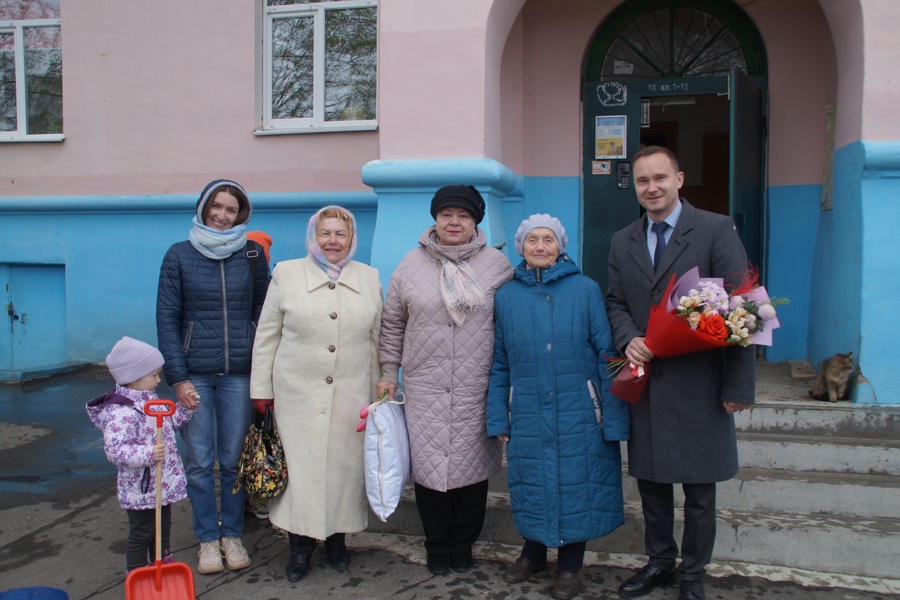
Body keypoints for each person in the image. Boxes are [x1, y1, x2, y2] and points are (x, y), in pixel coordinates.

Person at [605, 146, 755, 600]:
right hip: (647, 382)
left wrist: (738, 384)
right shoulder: (622, 240)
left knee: (699, 492)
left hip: (700, 386)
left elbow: (743, 306)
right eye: (642, 181)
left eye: (660, 178)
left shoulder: (713, 229)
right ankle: (660, 564)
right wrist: (627, 335)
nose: (651, 188)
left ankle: (693, 574)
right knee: (651, 484)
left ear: (679, 179)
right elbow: (615, 300)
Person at [485, 215, 630, 600]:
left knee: (575, 486)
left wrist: (611, 414)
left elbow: (608, 355)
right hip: (528, 410)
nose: (540, 246)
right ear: (521, 247)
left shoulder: (586, 289)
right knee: (532, 483)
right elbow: (499, 360)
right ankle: (532, 553)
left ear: (561, 246)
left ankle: (570, 566)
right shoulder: (506, 296)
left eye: (548, 239)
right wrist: (500, 413)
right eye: (532, 239)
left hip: (579, 409)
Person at [377, 185, 513, 576]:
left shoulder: (496, 266)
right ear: (435, 219)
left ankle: (463, 543)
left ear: (476, 222)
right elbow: (392, 323)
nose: (455, 222)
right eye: (447, 214)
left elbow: (507, 327)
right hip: (425, 386)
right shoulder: (410, 264)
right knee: (430, 471)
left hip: (476, 386)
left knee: (472, 471)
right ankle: (437, 544)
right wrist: (389, 372)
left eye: (464, 216)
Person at [250, 205, 382, 583]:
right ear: (313, 236)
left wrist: (380, 391)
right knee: (302, 475)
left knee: (343, 473)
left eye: (340, 234)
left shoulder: (369, 278)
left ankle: (338, 541)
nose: (332, 241)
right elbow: (267, 336)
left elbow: (377, 340)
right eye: (325, 233)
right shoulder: (287, 274)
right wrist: (261, 389)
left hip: (349, 397)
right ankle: (300, 547)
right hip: (296, 396)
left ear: (352, 238)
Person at [156, 179, 270, 575]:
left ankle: (232, 534)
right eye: (216, 207)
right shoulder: (179, 256)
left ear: (242, 214)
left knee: (233, 459)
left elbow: (265, 314)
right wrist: (178, 376)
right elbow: (167, 320)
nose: (222, 216)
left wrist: (262, 365)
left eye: (231, 209)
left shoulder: (253, 255)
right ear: (204, 208)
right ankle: (207, 538)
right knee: (200, 461)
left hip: (240, 373)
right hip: (196, 376)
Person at [86, 337, 194, 573]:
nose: (158, 379)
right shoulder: (121, 413)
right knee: (142, 532)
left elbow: (168, 425)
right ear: (134, 377)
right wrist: (147, 453)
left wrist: (186, 409)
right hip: (140, 488)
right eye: (154, 375)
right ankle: (136, 573)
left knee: (162, 528)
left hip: (161, 483)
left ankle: (162, 566)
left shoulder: (150, 399)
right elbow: (116, 450)